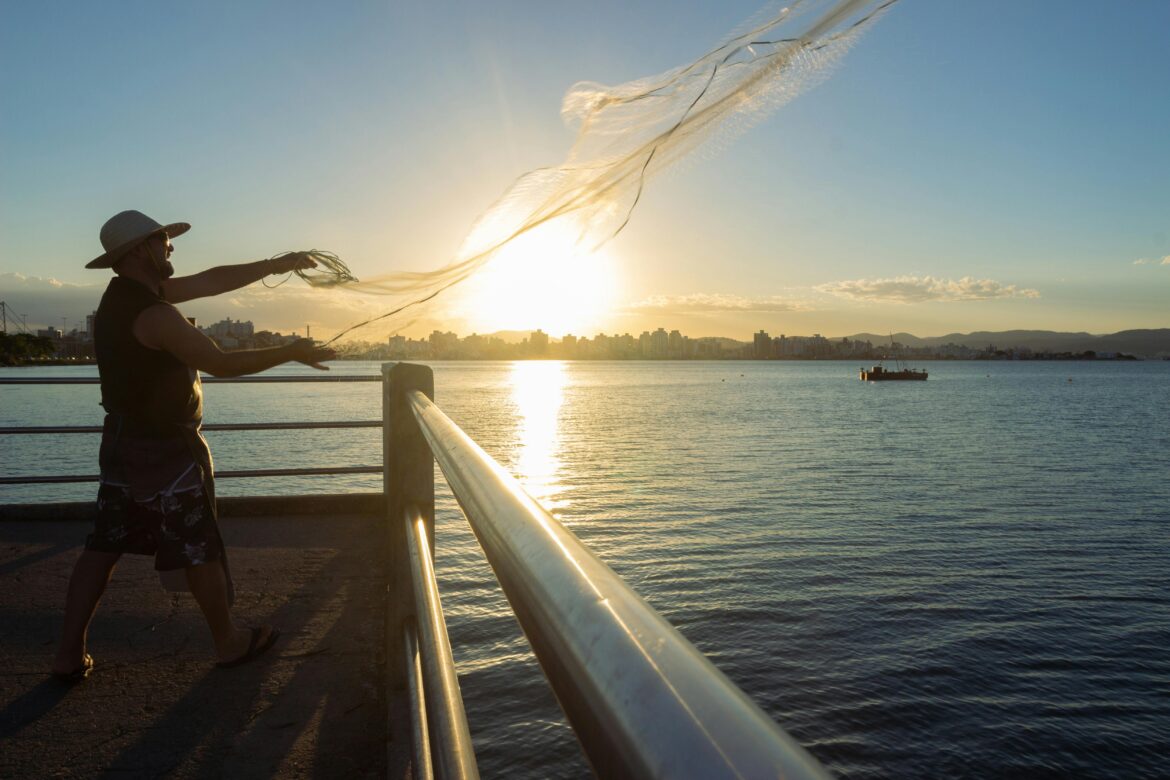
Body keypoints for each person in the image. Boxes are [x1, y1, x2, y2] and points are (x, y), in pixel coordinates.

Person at [51, 210, 336, 682]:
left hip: (123, 443)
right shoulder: (154, 312)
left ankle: (67, 655)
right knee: (198, 543)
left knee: (102, 547)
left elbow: (210, 280)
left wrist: (275, 264)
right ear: (142, 249)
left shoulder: (124, 297)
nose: (172, 248)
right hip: (163, 448)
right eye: (165, 240)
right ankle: (229, 643)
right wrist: (292, 351)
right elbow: (219, 363)